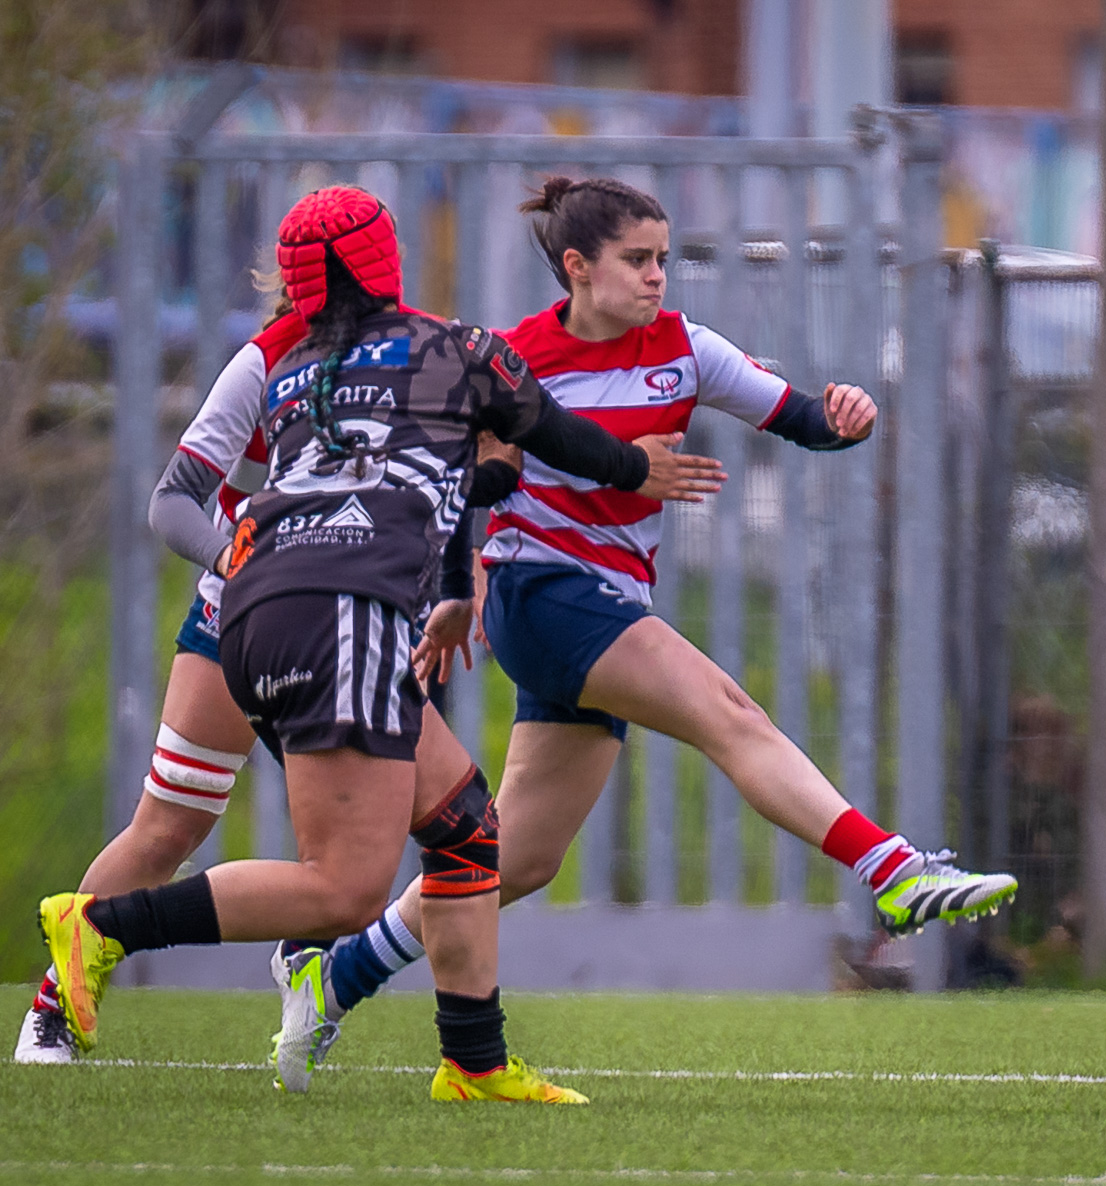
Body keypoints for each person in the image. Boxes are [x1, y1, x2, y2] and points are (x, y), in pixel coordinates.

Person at [270, 175, 1018, 1054]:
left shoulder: (684, 348)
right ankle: (888, 868)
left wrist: (845, 417)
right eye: (638, 260)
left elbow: (799, 417)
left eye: (663, 258)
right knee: (729, 714)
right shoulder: (517, 357)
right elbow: (471, 478)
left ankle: (339, 975)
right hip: (542, 596)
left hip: (608, 601)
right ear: (578, 268)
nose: (658, 276)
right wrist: (461, 580)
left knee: (516, 859)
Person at [36, 185, 712, 1103]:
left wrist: (451, 582)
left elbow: (436, 480)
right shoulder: (394, 353)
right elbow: (183, 500)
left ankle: (472, 1061)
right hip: (294, 603)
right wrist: (635, 467)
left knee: (464, 823)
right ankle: (96, 941)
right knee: (315, 873)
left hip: (309, 606)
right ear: (385, 260)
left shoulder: (347, 359)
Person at [13, 281, 522, 1065]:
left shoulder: (412, 354)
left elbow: (455, 470)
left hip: (354, 621)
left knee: (435, 827)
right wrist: (235, 559)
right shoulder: (266, 361)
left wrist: (466, 559)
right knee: (171, 824)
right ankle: (57, 1000)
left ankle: (348, 984)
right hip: (248, 614)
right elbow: (174, 501)